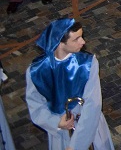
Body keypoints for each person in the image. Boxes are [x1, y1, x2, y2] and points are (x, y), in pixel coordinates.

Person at [25, 19, 115, 150]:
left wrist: (76, 145)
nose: (83, 42)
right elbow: (35, 105)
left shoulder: (87, 64)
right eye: (76, 39)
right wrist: (55, 122)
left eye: (81, 36)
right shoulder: (36, 71)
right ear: (60, 43)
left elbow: (92, 105)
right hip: (60, 132)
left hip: (88, 128)